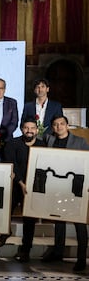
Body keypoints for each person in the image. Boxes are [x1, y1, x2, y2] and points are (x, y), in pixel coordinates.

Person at [41, 115, 89, 272]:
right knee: (58, 220)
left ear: (67, 126)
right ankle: (58, 252)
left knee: (79, 223)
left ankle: (81, 259)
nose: (58, 127)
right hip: (57, 186)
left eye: (62, 124)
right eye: (55, 124)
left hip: (76, 187)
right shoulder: (49, 139)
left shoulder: (80, 142)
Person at [0, 117, 45, 260]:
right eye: (26, 128)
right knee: (6, 211)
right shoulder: (13, 143)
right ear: (21, 129)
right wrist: (21, 183)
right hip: (15, 185)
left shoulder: (42, 145)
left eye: (32, 128)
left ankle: (26, 250)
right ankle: (5, 233)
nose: (29, 131)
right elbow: (12, 164)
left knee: (29, 220)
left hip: (33, 187)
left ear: (37, 130)